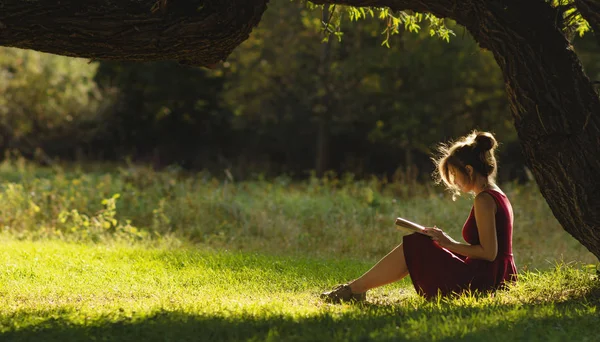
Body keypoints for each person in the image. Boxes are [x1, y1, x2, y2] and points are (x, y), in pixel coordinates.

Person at [321, 130, 517, 302]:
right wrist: (443, 242)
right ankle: (355, 289)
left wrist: (447, 244)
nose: (455, 182)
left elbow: (489, 253)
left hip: (483, 281)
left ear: (469, 170)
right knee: (423, 240)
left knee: (416, 243)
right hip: (494, 275)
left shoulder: (484, 200)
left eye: (454, 174)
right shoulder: (497, 194)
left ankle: (353, 290)